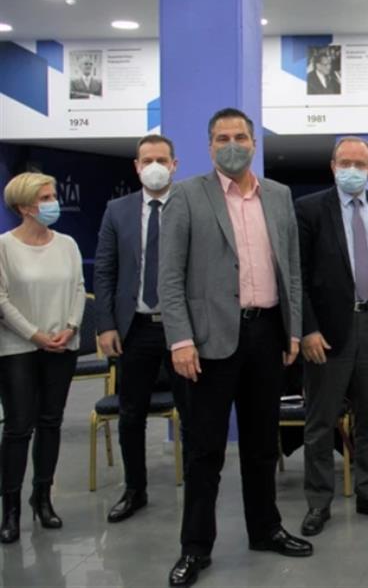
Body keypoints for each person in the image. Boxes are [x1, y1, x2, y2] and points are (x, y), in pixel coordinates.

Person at [160, 108, 310, 587]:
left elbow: (291, 269)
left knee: (262, 444)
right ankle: (195, 548)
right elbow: (170, 277)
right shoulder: (186, 195)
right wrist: (180, 339)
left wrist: (291, 330)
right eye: (222, 137)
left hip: (266, 334)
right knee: (204, 451)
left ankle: (265, 529)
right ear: (209, 146)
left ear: (253, 143)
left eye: (240, 136)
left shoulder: (278, 196)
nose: (232, 145)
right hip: (207, 342)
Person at [295, 137, 368, 536]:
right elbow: (298, 278)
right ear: (332, 166)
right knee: (320, 422)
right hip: (327, 333)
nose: (352, 170)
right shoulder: (309, 209)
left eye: (360, 164)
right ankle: (318, 502)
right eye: (344, 162)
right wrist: (307, 329)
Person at [93, 134, 190, 524]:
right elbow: (105, 270)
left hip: (183, 329)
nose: (154, 166)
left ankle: (199, 488)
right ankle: (135, 489)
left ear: (174, 165)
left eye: (161, 159)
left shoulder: (190, 205)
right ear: (136, 166)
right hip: (135, 328)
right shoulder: (117, 210)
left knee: (194, 411)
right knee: (131, 414)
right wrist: (105, 325)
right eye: (147, 160)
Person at [0, 172, 84, 544]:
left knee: (51, 422)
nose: (54, 203)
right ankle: (10, 509)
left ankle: (43, 497)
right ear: (24, 207)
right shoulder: (4, 247)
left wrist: (71, 326)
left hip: (62, 346)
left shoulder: (67, 244)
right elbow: (1, 300)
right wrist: (34, 335)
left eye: (53, 195)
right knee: (18, 427)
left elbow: (79, 288)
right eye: (45, 198)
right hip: (17, 348)